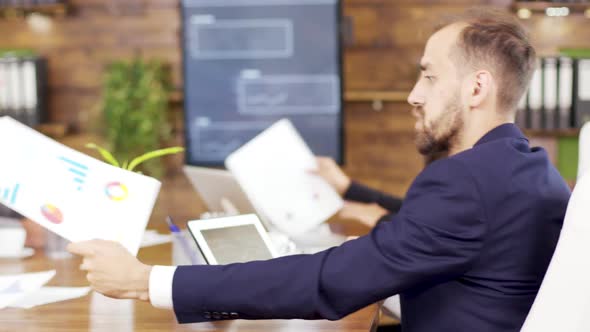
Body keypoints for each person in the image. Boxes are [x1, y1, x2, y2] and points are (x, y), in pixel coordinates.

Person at [68, 9, 572, 331]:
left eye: (429, 75)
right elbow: (431, 228)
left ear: (476, 88)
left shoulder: (467, 181)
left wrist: (147, 280)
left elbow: (327, 281)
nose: (414, 95)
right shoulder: (526, 170)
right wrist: (351, 189)